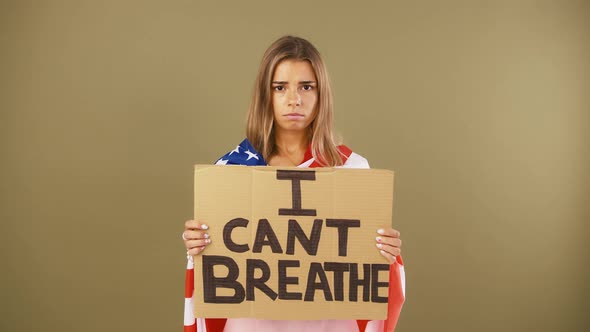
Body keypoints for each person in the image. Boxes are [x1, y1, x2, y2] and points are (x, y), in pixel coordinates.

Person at [182, 35, 405, 332]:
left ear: (321, 93)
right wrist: (198, 244)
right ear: (266, 95)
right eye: (280, 87)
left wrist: (387, 252)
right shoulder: (232, 171)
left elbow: (368, 272)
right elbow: (216, 268)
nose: (294, 99)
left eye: (306, 87)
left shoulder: (351, 169)